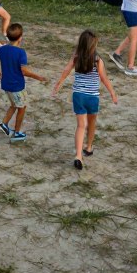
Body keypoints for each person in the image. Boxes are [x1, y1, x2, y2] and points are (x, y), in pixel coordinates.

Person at [51, 29, 118, 170]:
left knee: (81, 126)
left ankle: (78, 156)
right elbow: (104, 78)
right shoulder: (97, 59)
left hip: (78, 96)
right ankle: (88, 147)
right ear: (93, 45)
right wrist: (112, 92)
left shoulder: (76, 56)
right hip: (92, 97)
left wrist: (58, 85)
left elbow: (66, 70)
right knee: (92, 122)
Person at [0, 23, 46, 141]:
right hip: (17, 86)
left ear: (8, 37)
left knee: (14, 104)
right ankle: (16, 133)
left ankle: (4, 124)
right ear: (21, 37)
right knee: (22, 107)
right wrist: (38, 77)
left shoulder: (2, 49)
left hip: (6, 85)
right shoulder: (21, 53)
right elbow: (23, 71)